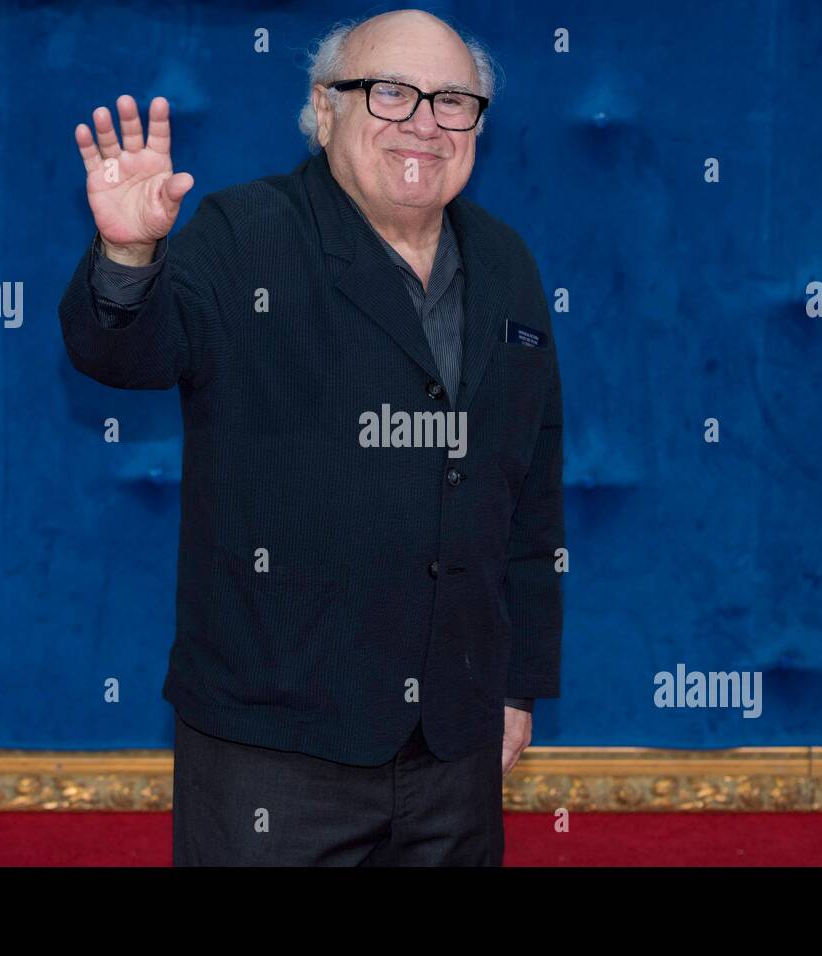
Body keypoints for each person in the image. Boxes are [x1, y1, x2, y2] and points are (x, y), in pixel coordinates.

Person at [59, 9, 564, 866]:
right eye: (391, 93)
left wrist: (517, 685)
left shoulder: (506, 259)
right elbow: (125, 352)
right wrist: (127, 255)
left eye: (452, 102)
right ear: (325, 110)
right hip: (276, 749)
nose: (423, 124)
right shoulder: (241, 233)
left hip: (454, 746)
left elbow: (529, 491)